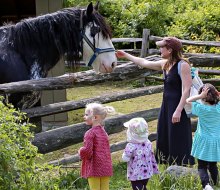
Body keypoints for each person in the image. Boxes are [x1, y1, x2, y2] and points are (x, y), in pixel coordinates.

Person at [116, 37, 194, 166]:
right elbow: (144, 62)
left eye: (162, 47)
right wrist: (125, 55)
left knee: (178, 135)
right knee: (164, 132)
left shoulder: (183, 65)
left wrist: (179, 110)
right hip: (166, 106)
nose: (160, 50)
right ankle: (167, 164)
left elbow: (187, 89)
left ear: (169, 49)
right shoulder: (166, 63)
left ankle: (182, 166)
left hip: (178, 106)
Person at [186, 83, 220, 190]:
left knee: (202, 166)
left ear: (203, 98)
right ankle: (216, 183)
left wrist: (200, 96)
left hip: (203, 141)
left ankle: (206, 185)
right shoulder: (218, 108)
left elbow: (188, 100)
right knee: (213, 165)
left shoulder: (201, 109)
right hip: (215, 141)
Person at [78, 102, 115, 190]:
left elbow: (87, 152)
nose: (84, 117)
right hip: (105, 167)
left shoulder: (90, 133)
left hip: (94, 168)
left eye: (86, 114)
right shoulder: (104, 132)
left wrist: (80, 151)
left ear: (95, 117)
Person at [122, 117, 159, 190]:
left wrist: (124, 155)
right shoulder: (148, 142)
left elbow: (125, 159)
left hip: (136, 174)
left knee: (137, 188)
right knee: (143, 187)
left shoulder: (131, 145)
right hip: (147, 172)